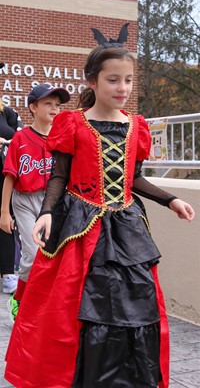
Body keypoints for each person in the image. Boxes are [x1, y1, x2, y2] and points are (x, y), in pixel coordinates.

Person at [4, 25, 195, 388]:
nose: (122, 88)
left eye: (127, 80)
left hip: (126, 229)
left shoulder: (136, 127)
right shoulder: (71, 123)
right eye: (113, 80)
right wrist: (46, 212)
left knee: (135, 303)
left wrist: (171, 200)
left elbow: (133, 179)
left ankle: (126, 376)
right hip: (79, 225)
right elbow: (59, 176)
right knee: (70, 308)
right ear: (92, 81)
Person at [0, 83, 70, 320]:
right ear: (33, 107)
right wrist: (4, 213)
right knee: (32, 253)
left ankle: (39, 302)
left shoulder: (61, 138)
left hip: (51, 201)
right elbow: (10, 176)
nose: (54, 108)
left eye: (57, 105)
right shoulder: (20, 137)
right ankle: (19, 300)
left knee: (50, 254)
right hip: (24, 199)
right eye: (48, 103)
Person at [0, 61, 23, 294]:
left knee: (5, 221)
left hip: (4, 175)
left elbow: (19, 139)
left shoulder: (7, 112)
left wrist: (5, 142)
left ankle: (7, 273)